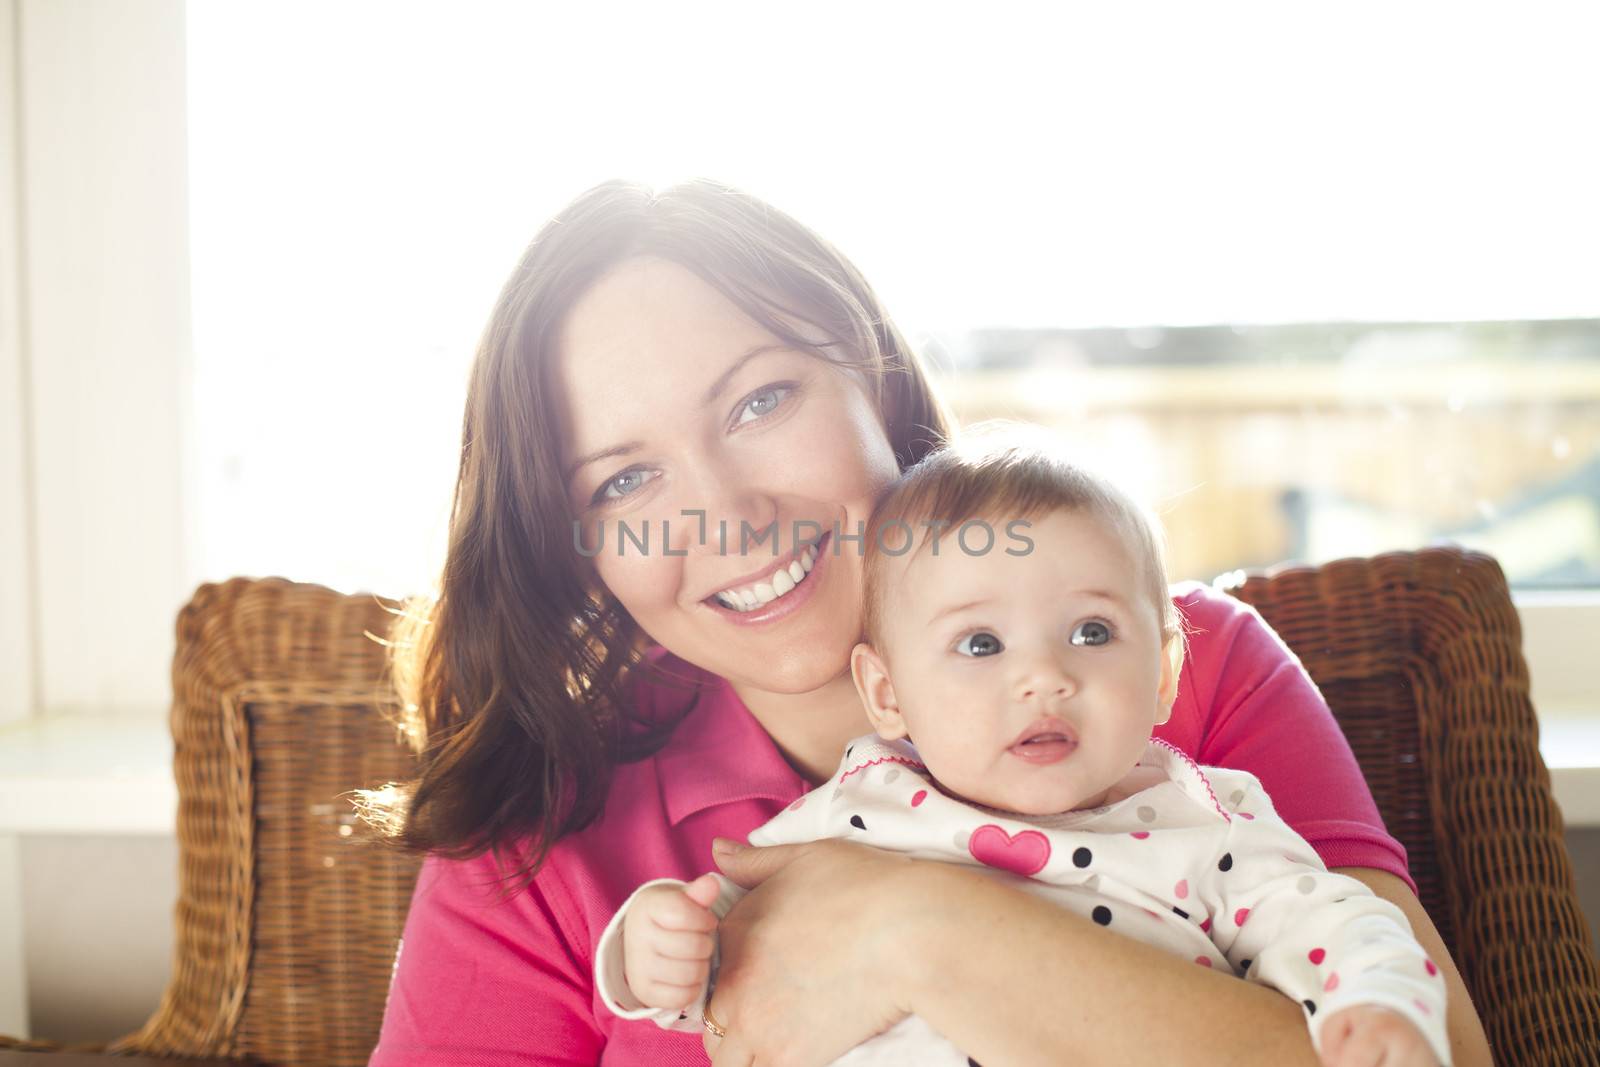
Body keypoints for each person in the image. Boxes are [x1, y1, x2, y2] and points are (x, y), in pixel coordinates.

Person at [364, 177, 1491, 1067]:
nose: (727, 516)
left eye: (759, 401)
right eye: (622, 481)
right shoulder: (536, 826)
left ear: (876, 384)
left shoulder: (1177, 669)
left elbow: (1425, 1046)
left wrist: (917, 930)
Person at [594, 432, 1451, 1067]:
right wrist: (649, 947)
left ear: (1164, 670)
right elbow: (731, 966)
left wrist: (1378, 1007)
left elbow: (1346, 927)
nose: (1043, 677)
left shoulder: (1211, 823)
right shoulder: (855, 814)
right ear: (888, 693)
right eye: (979, 645)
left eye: (1091, 630)